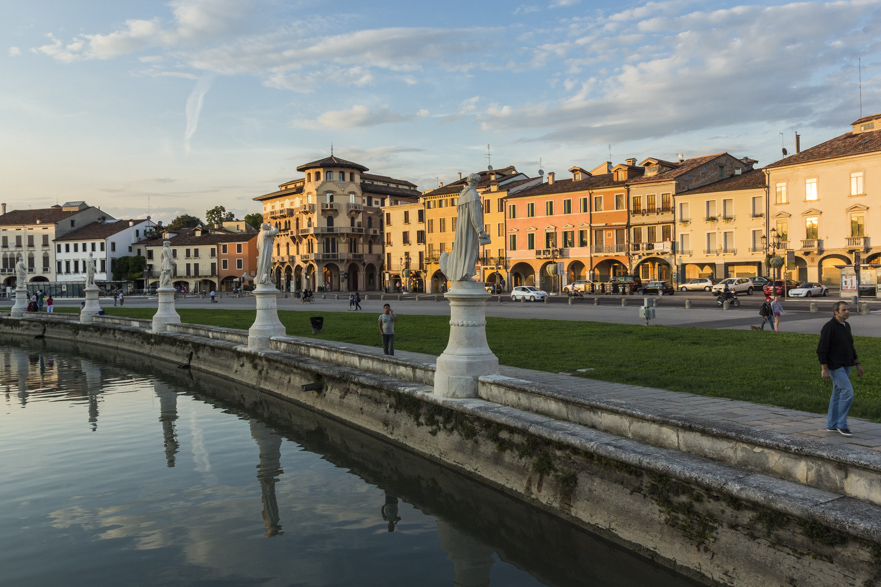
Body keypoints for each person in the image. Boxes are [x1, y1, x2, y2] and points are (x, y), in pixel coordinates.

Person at [818, 301, 864, 436]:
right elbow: (821, 349)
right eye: (844, 310)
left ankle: (832, 424)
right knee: (848, 392)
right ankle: (841, 424)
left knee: (837, 395)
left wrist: (857, 363)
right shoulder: (829, 327)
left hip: (846, 365)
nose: (847, 312)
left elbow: (850, 346)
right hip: (835, 366)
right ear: (836, 312)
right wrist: (824, 368)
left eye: (848, 310)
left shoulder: (846, 326)